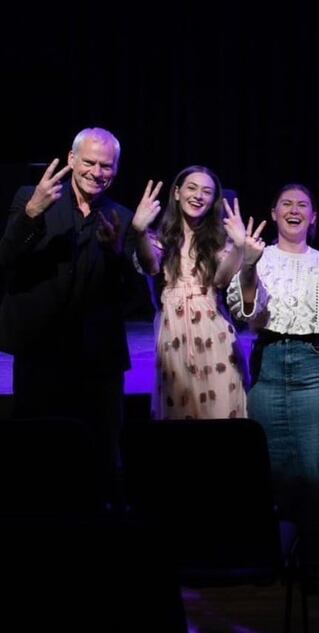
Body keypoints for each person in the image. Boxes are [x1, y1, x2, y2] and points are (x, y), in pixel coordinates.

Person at [227, 183, 319, 589]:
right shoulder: (258, 256)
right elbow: (245, 310)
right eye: (286, 203)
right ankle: (275, 559)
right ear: (273, 211)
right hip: (269, 365)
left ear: (314, 217)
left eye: (303, 205)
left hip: (315, 367)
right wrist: (248, 265)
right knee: (272, 470)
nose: (294, 210)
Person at [0, 127, 135, 504]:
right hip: (41, 353)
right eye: (89, 162)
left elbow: (129, 298)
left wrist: (117, 253)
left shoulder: (119, 217)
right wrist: (29, 215)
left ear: (116, 169)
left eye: (105, 165)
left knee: (100, 457)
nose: (97, 172)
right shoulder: (33, 198)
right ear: (72, 160)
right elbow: (5, 259)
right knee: (37, 456)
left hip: (98, 363)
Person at [132, 165, 257, 420]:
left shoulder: (218, 241)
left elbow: (222, 280)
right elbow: (150, 265)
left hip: (217, 340)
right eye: (192, 187)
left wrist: (238, 246)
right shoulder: (160, 239)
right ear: (177, 193)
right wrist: (140, 231)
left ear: (213, 201)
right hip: (174, 342)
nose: (198, 195)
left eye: (207, 191)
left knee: (222, 415)